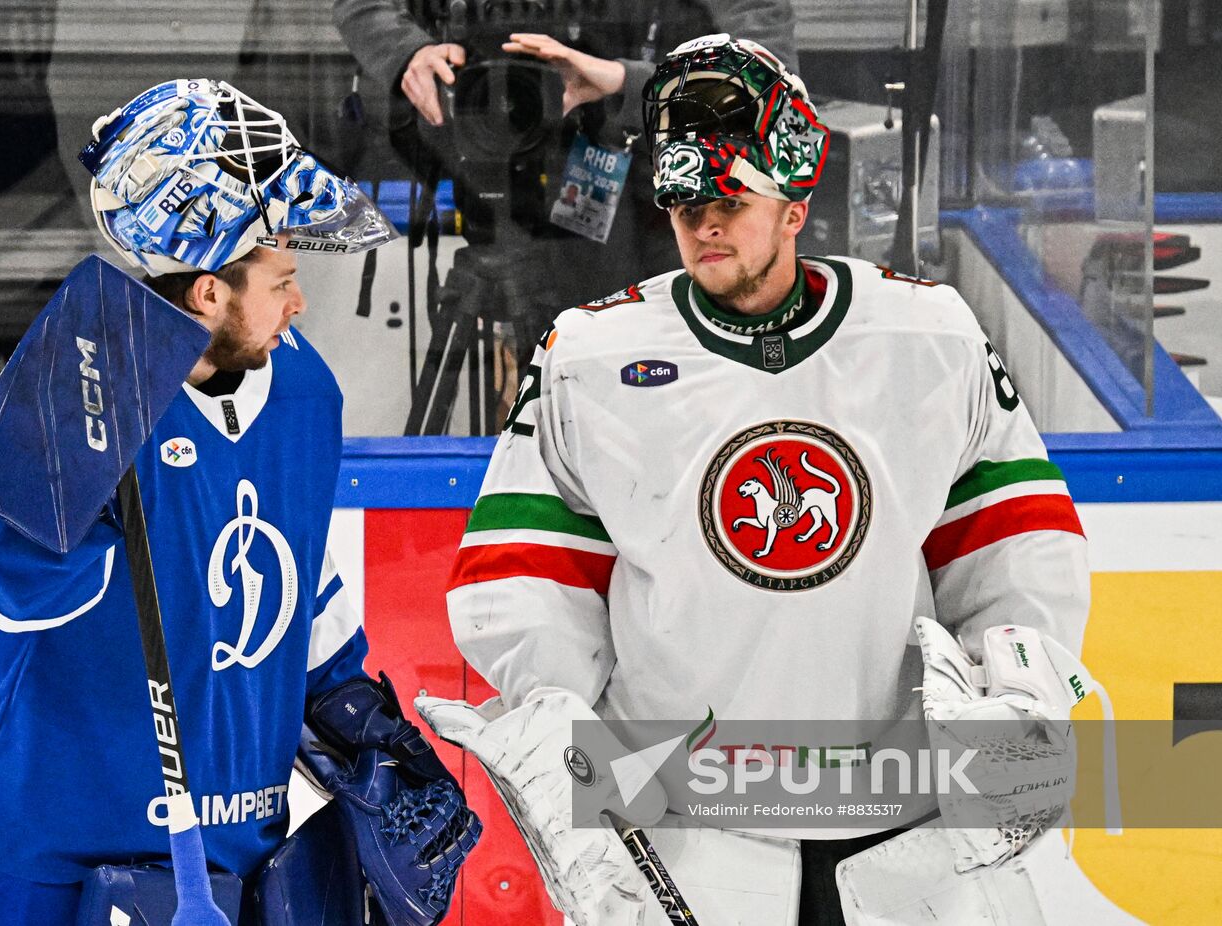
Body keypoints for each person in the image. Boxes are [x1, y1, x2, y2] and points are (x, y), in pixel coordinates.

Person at [441, 35, 1099, 925]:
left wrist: (1015, 691)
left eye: (729, 201)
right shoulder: (589, 357)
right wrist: (562, 732)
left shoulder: (928, 337)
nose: (703, 225)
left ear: (794, 205)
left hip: (905, 827)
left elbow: (1014, 548)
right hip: (682, 831)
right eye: (684, 204)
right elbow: (526, 575)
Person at [0, 78, 465, 925]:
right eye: (281, 279)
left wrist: (357, 724)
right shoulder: (77, 384)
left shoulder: (304, 390)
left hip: (225, 828)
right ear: (207, 293)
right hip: (34, 823)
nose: (299, 303)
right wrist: (67, 475)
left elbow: (298, 569)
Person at [332, 0, 799, 310]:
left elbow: (767, 71)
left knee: (664, 369)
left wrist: (624, 81)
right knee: (550, 378)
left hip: (675, 192)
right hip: (523, 172)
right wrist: (408, 55)